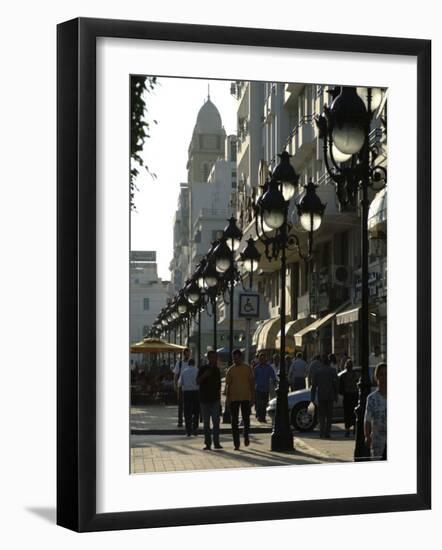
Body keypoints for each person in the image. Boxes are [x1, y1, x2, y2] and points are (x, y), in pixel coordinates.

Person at [225, 349, 255, 450]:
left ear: (240, 357)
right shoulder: (231, 370)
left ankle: (246, 435)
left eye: (236, 358)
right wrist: (227, 399)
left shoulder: (247, 368)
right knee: (234, 421)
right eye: (233, 358)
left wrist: (253, 397)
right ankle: (236, 443)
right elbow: (228, 386)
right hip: (234, 398)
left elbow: (251, 383)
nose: (235, 360)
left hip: (246, 397)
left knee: (246, 419)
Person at [197, 350, 222, 450]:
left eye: (215, 357)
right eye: (212, 357)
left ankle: (216, 442)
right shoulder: (203, 368)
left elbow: (219, 385)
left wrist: (220, 400)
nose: (214, 359)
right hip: (204, 400)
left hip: (215, 399)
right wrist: (204, 376)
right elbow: (197, 381)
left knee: (216, 421)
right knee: (206, 423)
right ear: (208, 358)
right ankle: (207, 443)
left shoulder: (217, 370)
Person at [310, 357, 339, 438]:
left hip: (321, 396)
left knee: (321, 416)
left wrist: (312, 398)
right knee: (329, 416)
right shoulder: (332, 371)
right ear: (329, 363)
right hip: (330, 396)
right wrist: (336, 394)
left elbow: (313, 386)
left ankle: (321, 432)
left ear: (322, 363)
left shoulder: (317, 372)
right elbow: (336, 384)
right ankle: (327, 432)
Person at [364, 362, 387, 460]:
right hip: (378, 441)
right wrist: (367, 436)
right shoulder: (372, 398)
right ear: (376, 377)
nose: (384, 377)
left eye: (386, 374)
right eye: (381, 374)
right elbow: (367, 419)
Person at [178, 358, 199, 437]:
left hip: (186, 393)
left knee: (187, 412)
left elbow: (179, 383)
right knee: (196, 411)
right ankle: (195, 428)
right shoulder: (197, 370)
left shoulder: (184, 371)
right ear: (194, 363)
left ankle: (188, 430)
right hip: (196, 392)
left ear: (188, 364)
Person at [339, 358, 359, 437]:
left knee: (347, 414)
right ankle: (354, 429)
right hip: (354, 396)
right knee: (354, 413)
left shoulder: (343, 376)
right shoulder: (356, 375)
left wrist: (342, 393)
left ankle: (347, 430)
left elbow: (340, 388)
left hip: (347, 396)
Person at [253, 352, 276, 422]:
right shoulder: (256, 368)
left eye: (263, 358)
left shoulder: (269, 368)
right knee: (259, 404)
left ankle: (263, 416)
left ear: (265, 359)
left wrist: (275, 383)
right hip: (258, 388)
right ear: (259, 359)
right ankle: (260, 416)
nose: (262, 360)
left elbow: (273, 376)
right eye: (261, 358)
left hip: (266, 389)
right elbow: (254, 378)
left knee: (265, 404)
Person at [173, 348, 191, 428]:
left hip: (190, 387)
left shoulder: (191, 363)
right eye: (186, 354)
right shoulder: (179, 363)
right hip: (181, 387)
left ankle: (189, 421)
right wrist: (175, 385)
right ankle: (180, 421)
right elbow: (176, 375)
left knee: (189, 405)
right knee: (180, 405)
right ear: (183, 354)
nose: (187, 355)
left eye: (188, 354)